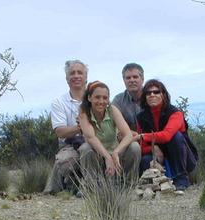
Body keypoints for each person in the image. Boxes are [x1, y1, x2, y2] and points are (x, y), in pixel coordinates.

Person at [136, 79, 198, 191]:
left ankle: (182, 179)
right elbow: (141, 146)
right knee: (145, 160)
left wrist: (143, 136)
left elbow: (167, 135)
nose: (152, 95)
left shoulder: (175, 113)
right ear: (144, 97)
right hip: (158, 157)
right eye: (148, 93)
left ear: (163, 94)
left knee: (177, 137)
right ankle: (153, 186)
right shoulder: (141, 117)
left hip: (181, 157)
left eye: (156, 92)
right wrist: (152, 148)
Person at [78, 81, 140, 180]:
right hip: (97, 155)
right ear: (89, 98)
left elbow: (128, 135)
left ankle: (129, 184)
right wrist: (107, 157)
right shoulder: (83, 112)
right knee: (85, 148)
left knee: (134, 146)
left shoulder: (112, 110)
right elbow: (90, 137)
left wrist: (116, 152)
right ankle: (91, 185)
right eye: (97, 97)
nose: (101, 101)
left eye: (105, 98)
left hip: (115, 155)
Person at [44, 60, 88, 194]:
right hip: (69, 145)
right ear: (67, 78)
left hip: (95, 142)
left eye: (80, 72)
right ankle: (72, 184)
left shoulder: (96, 98)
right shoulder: (59, 103)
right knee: (65, 162)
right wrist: (81, 127)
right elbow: (60, 132)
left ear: (86, 77)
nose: (76, 76)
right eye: (72, 73)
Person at [111, 63, 144, 132]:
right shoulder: (118, 100)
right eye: (128, 78)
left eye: (135, 77)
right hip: (129, 138)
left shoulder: (153, 95)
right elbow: (112, 123)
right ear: (124, 80)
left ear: (142, 79)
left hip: (152, 137)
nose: (132, 80)